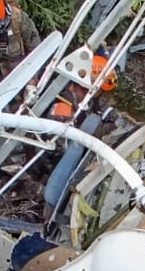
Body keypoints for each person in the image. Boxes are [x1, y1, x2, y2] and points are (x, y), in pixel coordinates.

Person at [42, 53, 120, 219]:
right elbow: (62, 151)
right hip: (51, 166)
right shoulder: (63, 107)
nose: (96, 95)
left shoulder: (87, 99)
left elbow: (105, 112)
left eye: (99, 93)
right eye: (94, 91)